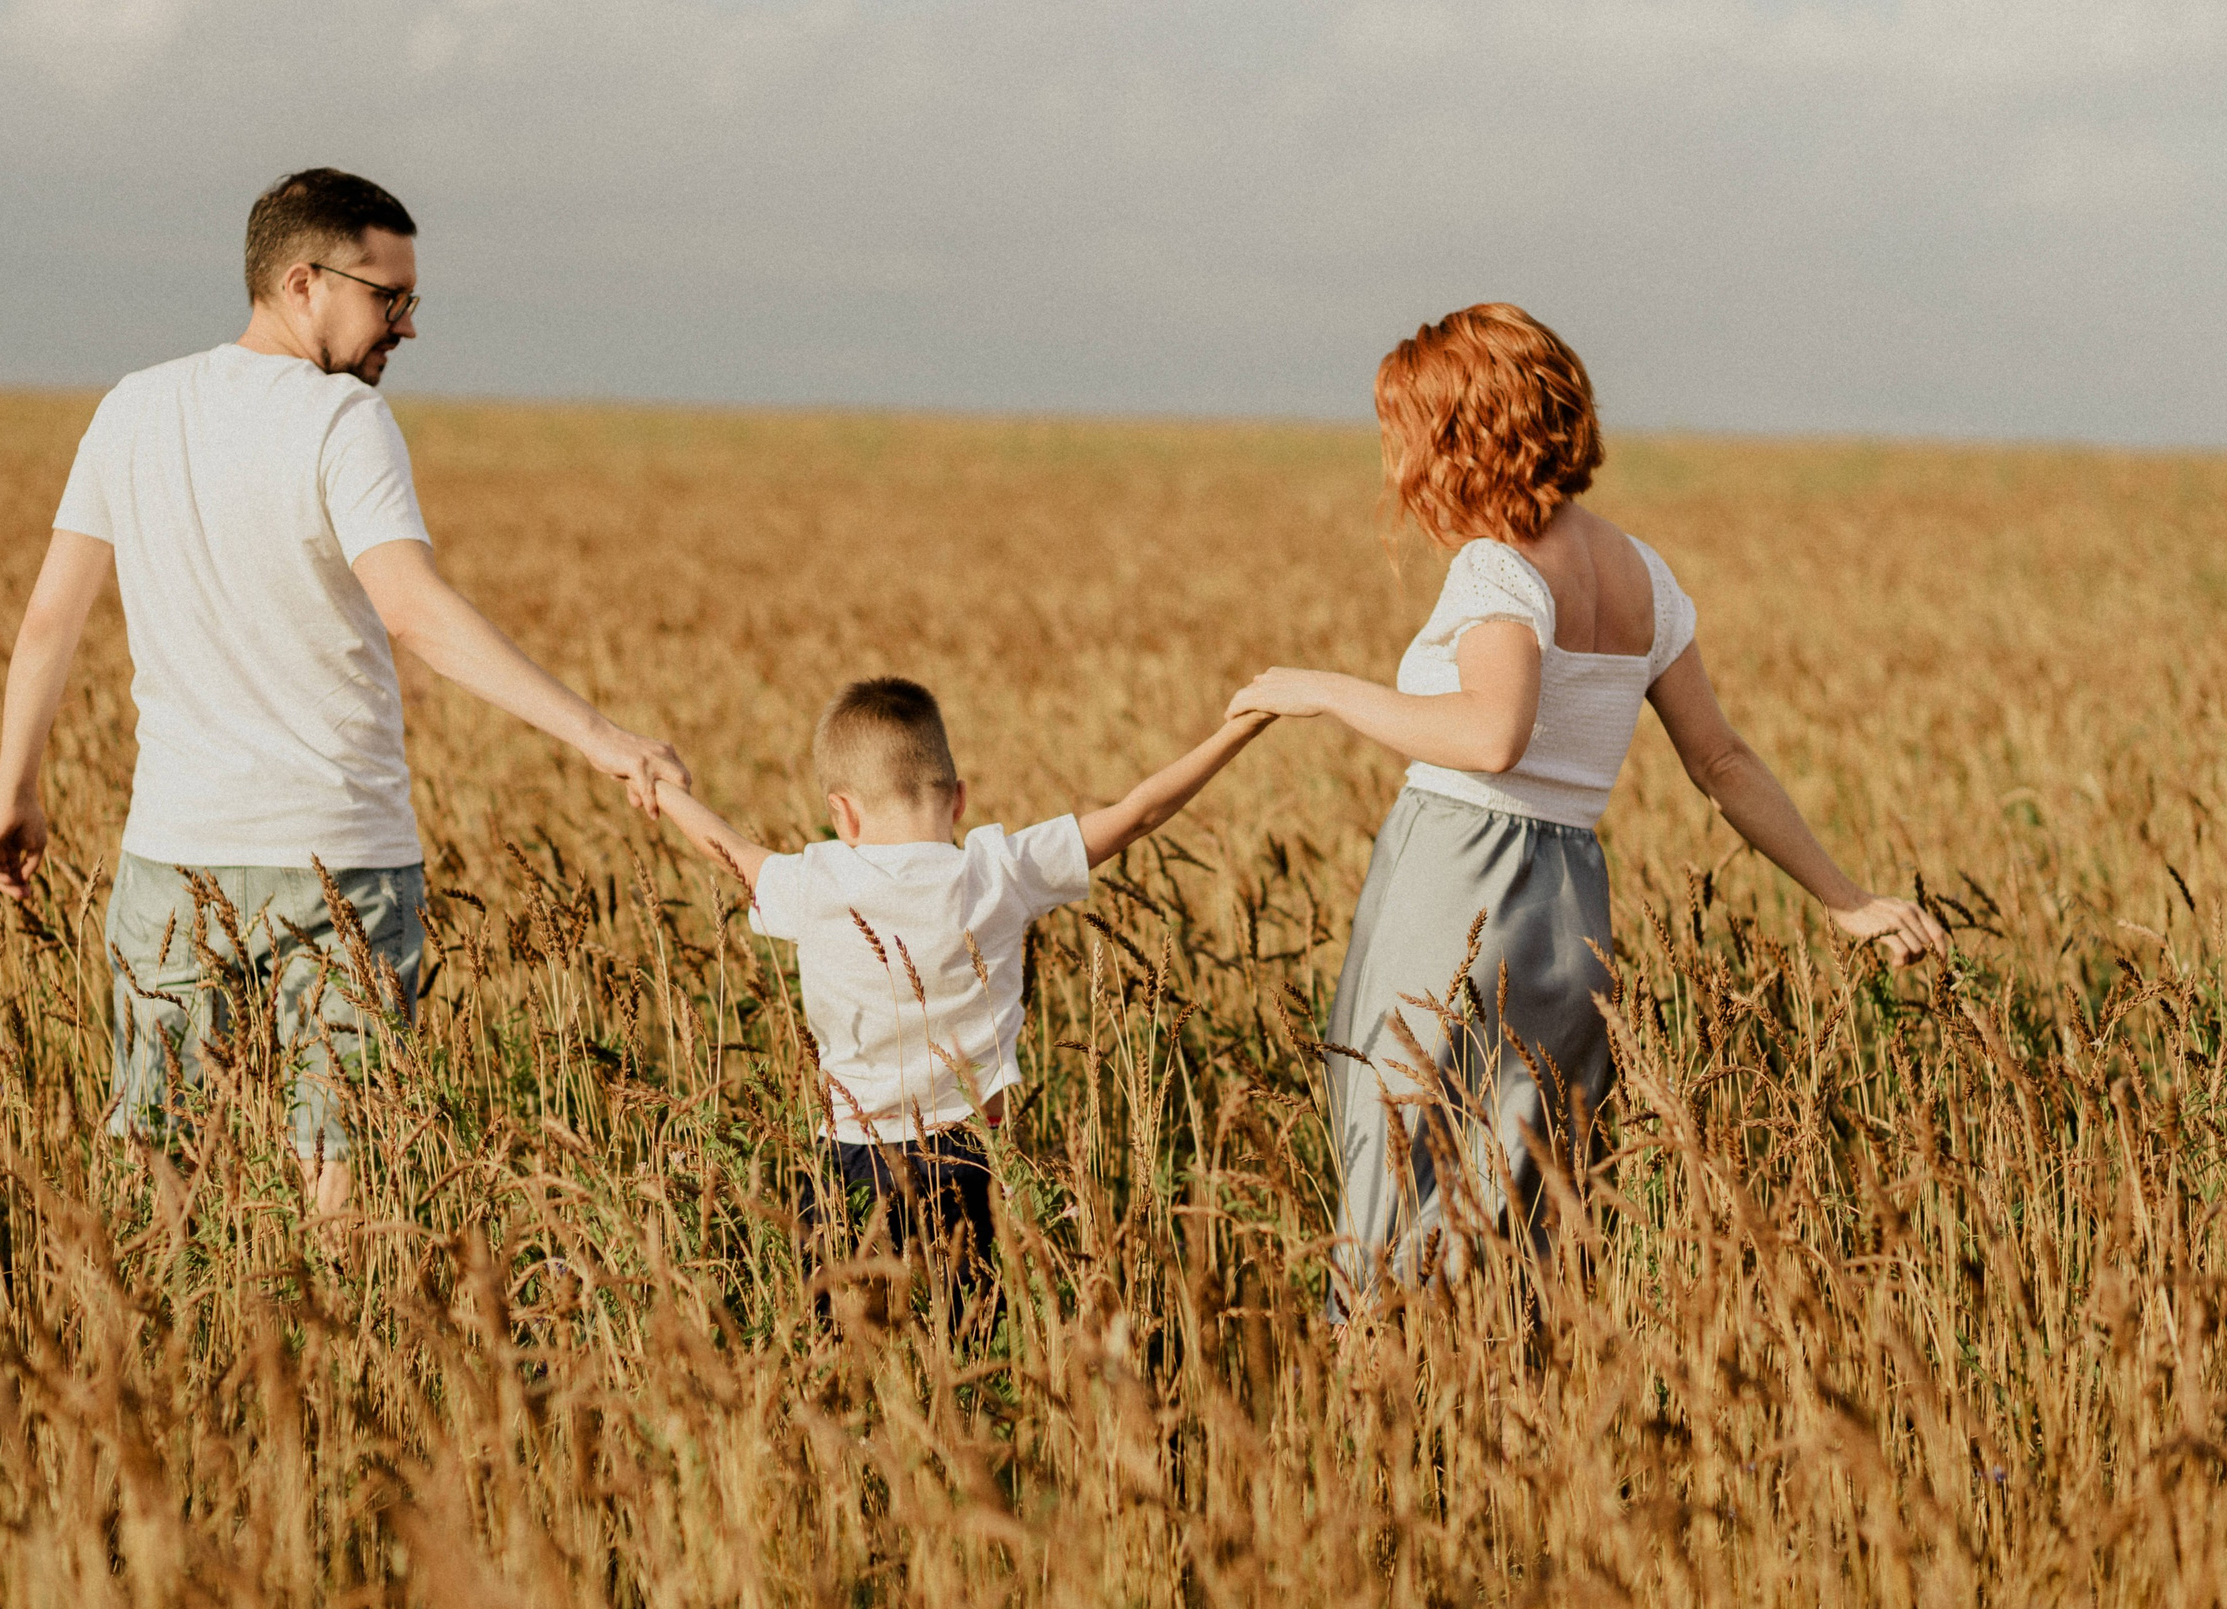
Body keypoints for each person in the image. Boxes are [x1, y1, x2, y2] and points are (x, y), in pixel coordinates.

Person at [0, 168, 687, 1218]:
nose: (407, 325)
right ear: (302, 282)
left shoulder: (133, 408)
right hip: (340, 858)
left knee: (161, 1157)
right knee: (340, 1160)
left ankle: (165, 1320)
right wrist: (602, 737)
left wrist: (15, 791)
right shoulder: (343, 419)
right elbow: (414, 613)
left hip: (173, 854)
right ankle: (344, 1323)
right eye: (388, 297)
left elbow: (47, 623)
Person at [1228, 303, 1947, 1312]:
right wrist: (1845, 898)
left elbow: (1493, 736)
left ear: (1462, 432)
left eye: (1409, 432)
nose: (1401, 461)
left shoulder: (1496, 566)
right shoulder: (1642, 572)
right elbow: (1721, 760)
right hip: (1571, 902)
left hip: (1458, 883)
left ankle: (1377, 1384)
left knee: (1396, 1167)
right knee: (1520, 1190)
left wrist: (1324, 691)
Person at [649, 676, 1271, 1298]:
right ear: (959, 800)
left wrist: (661, 789)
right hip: (972, 1158)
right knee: (970, 1327)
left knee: (843, 1332)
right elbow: (1138, 814)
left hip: (847, 1161)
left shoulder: (817, 879)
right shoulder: (998, 871)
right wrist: (1240, 728)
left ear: (843, 813)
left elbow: (727, 850)